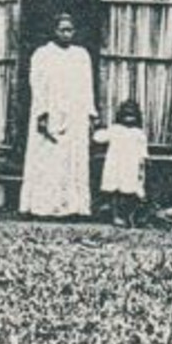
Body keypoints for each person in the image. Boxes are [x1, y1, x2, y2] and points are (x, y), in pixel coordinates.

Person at [19, 13, 96, 218]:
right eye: (62, 29)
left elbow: (87, 86)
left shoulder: (81, 55)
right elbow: (37, 85)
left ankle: (72, 208)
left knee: (73, 159)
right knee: (47, 159)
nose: (66, 34)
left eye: (70, 30)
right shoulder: (42, 54)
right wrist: (42, 113)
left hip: (75, 114)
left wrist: (90, 114)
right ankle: (42, 207)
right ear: (54, 31)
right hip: (51, 111)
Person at [93, 99, 149, 227]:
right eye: (126, 115)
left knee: (129, 192)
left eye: (132, 116)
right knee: (115, 192)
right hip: (115, 165)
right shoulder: (115, 130)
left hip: (131, 166)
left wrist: (143, 163)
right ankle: (116, 215)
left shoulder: (139, 134)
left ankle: (127, 216)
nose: (129, 119)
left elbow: (143, 151)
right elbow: (99, 137)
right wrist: (97, 127)